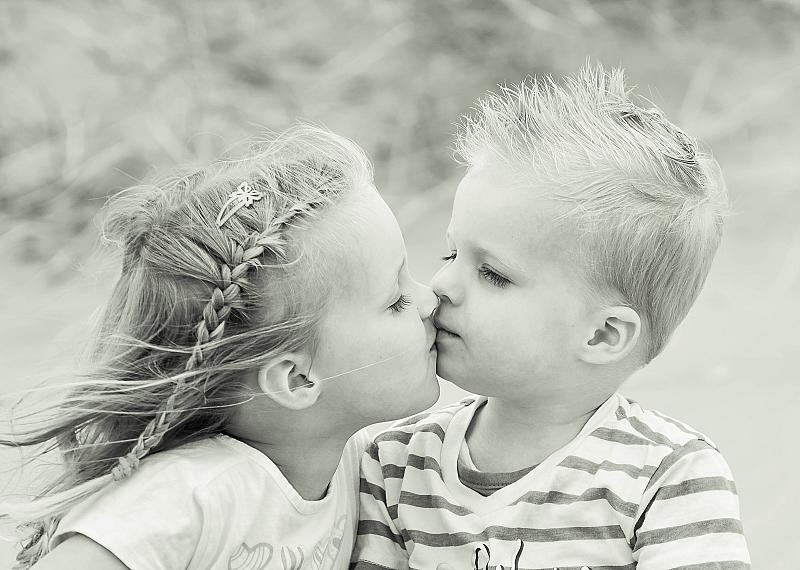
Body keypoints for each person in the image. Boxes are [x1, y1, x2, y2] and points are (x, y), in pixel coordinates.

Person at [353, 64, 750, 569]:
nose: (442, 285)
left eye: (493, 274)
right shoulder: (395, 461)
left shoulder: (669, 477)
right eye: (451, 253)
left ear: (603, 334)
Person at [0, 125, 441, 569]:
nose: (430, 300)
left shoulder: (357, 460)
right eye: (396, 300)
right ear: (296, 380)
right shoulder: (192, 492)